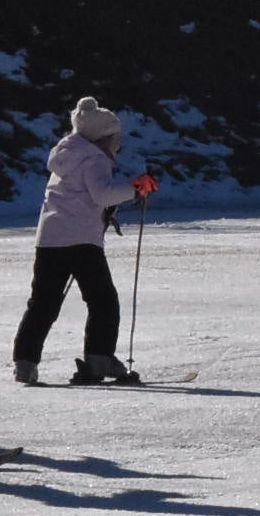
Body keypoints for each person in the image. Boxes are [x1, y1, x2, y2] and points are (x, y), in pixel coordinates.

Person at [14, 96, 156, 385]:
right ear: (104, 138)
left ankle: (25, 362)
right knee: (103, 301)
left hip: (49, 238)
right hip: (81, 240)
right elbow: (101, 194)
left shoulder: (65, 156)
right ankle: (99, 358)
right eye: (115, 139)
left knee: (43, 302)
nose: (117, 145)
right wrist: (135, 188)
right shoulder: (94, 158)